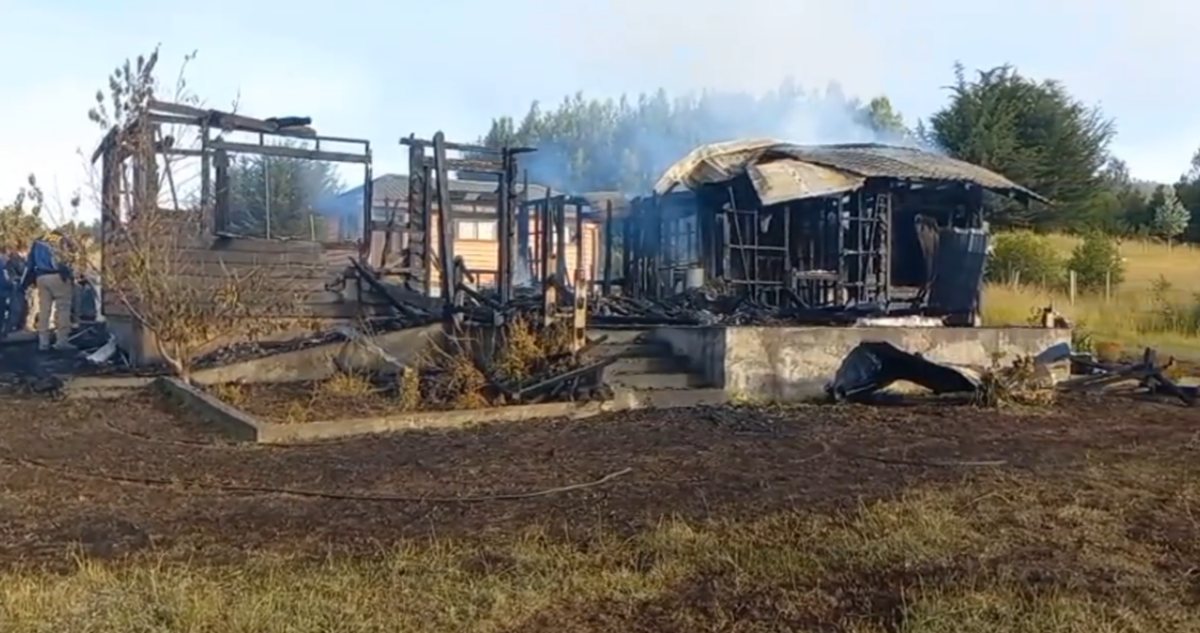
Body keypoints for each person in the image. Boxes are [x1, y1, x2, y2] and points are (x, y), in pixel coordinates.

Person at [20, 230, 76, 352]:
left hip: (41, 277)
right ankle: (61, 342)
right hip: (58, 276)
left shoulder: (38, 241)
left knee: (44, 310)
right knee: (63, 309)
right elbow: (68, 260)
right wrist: (70, 276)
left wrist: (24, 284)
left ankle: (43, 343)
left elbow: (29, 264)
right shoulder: (61, 239)